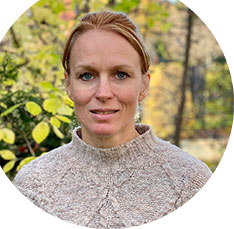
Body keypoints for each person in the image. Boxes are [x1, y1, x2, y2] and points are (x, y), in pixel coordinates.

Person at [14, 11, 212, 228]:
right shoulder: (34, 184)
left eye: (120, 75)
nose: (103, 93)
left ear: (144, 85)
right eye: (87, 75)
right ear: (69, 85)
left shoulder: (190, 183)